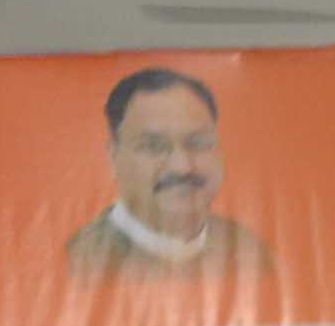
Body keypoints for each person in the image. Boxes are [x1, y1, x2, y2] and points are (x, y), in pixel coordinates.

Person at [63, 68, 273, 287]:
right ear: (114, 157)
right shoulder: (77, 262)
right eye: (154, 147)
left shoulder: (251, 252)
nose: (181, 167)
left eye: (197, 143)